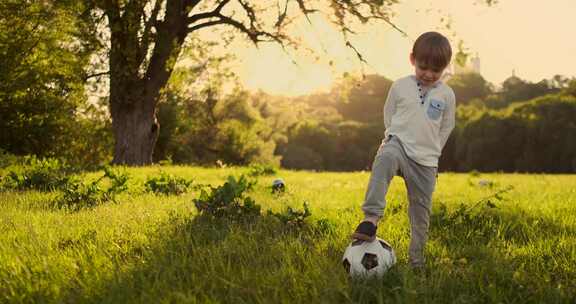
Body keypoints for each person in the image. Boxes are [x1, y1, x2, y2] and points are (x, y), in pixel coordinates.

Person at [351, 31, 456, 269]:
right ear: (412, 59)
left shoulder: (446, 94)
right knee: (385, 155)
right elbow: (389, 114)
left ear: (445, 68)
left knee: (421, 213)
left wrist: (434, 150)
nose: (428, 74)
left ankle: (416, 261)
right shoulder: (400, 86)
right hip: (399, 143)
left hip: (426, 160)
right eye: (423, 67)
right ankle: (371, 218)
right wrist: (393, 136)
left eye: (436, 71)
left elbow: (447, 126)